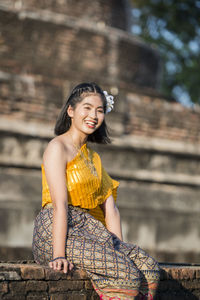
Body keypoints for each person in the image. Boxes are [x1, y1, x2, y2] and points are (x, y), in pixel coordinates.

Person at [32, 82, 160, 299]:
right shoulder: (57, 147)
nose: (94, 115)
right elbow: (60, 206)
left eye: (99, 110)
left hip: (90, 231)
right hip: (57, 228)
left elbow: (111, 210)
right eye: (87, 108)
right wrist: (58, 254)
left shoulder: (93, 159)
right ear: (71, 111)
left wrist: (119, 248)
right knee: (126, 276)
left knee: (149, 269)